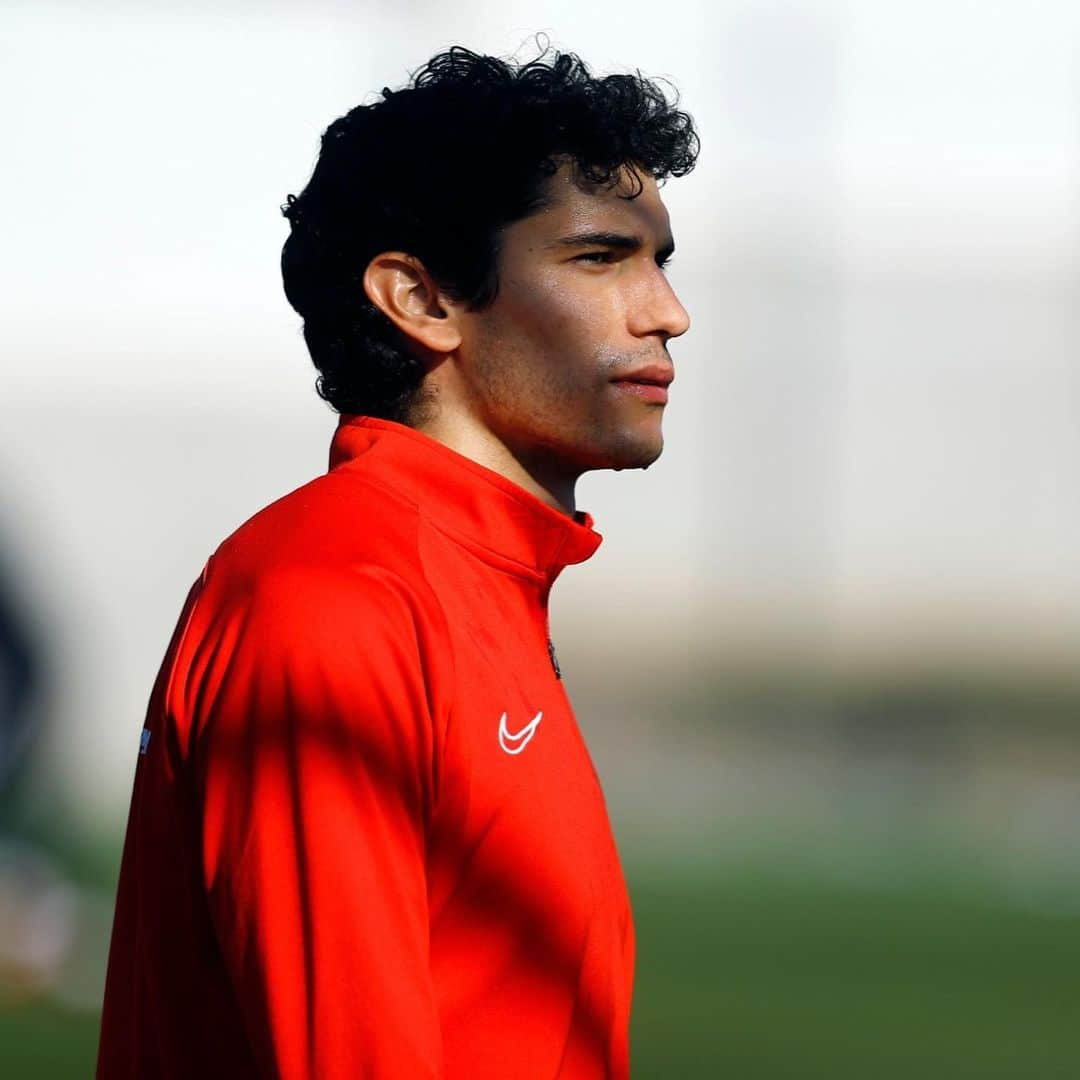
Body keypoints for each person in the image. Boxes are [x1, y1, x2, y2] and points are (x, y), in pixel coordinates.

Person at [97, 40, 698, 1079]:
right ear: (419, 301)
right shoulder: (335, 595)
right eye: (600, 259)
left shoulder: (472, 580)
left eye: (660, 261)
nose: (666, 314)